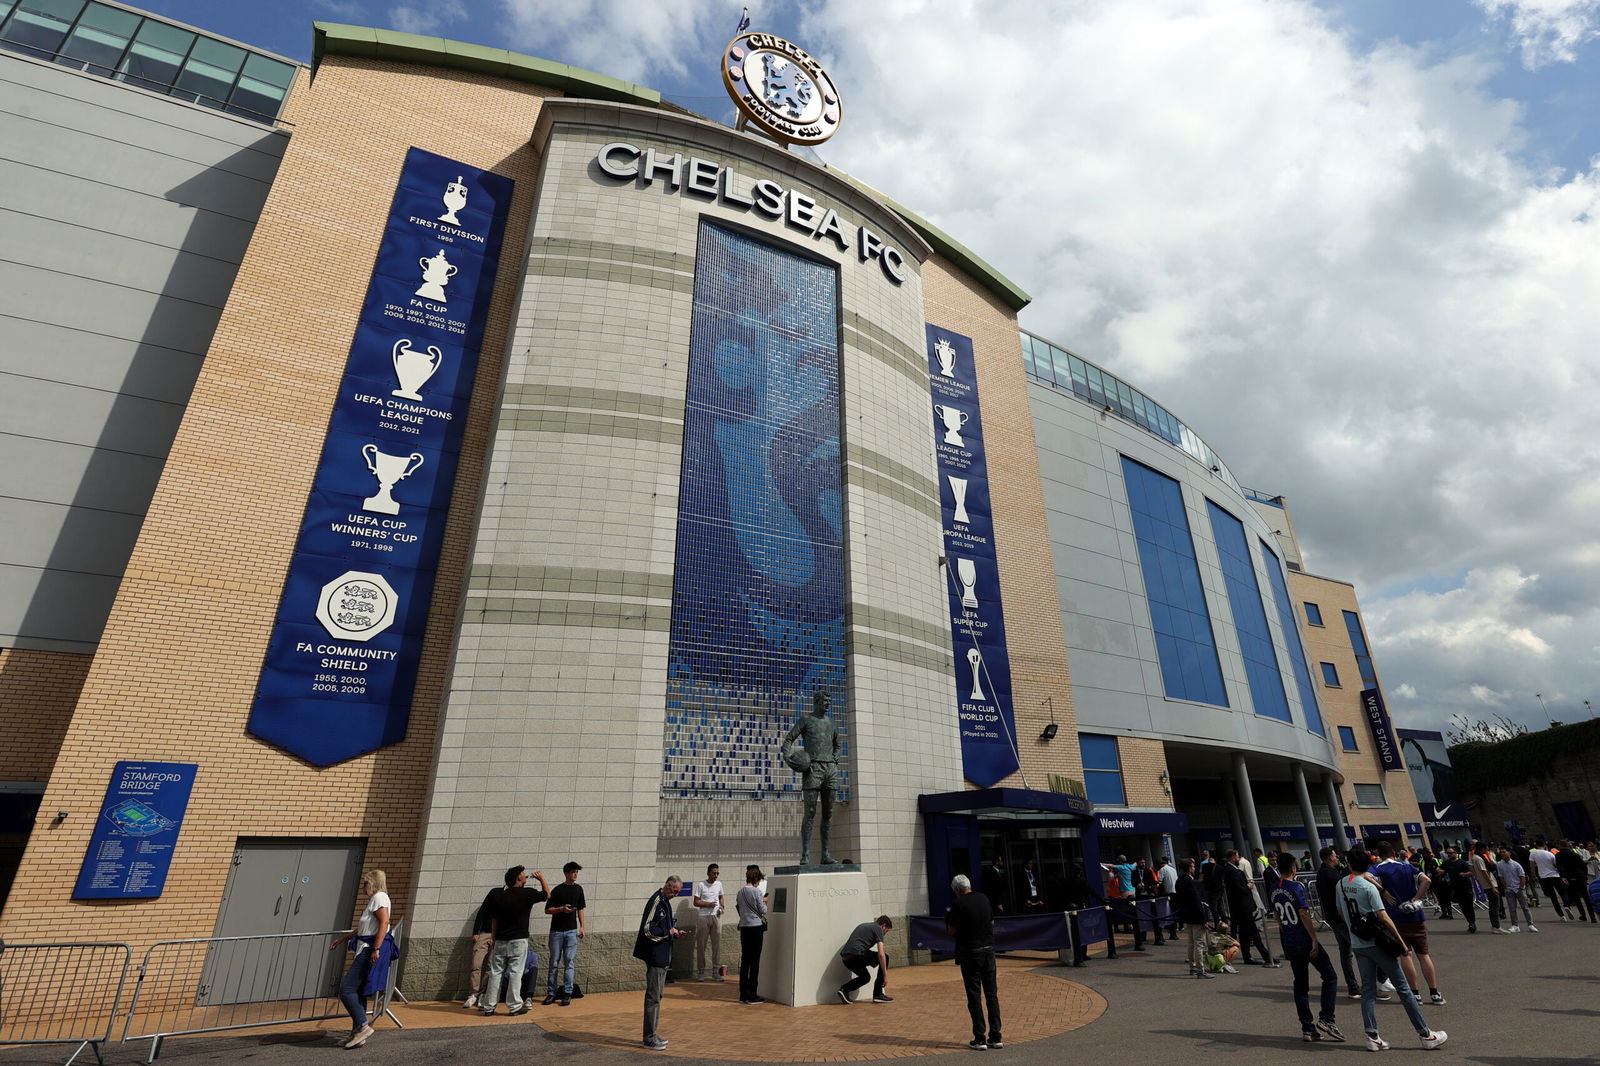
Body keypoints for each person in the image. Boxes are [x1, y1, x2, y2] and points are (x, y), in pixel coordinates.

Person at [1338, 848, 1446, 1052]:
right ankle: (1425, 1034)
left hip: (1358, 942)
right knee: (1404, 989)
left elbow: (1340, 913)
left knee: (1368, 991)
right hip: (1377, 942)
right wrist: (1401, 943)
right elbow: (1384, 917)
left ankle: (1372, 1035)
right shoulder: (1368, 888)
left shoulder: (1341, 884)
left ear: (1350, 865)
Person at [1270, 853, 1344, 1042]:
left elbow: (1277, 915)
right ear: (1293, 867)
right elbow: (1303, 913)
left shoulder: (1274, 888)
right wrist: (1313, 938)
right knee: (1329, 975)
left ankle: (1307, 1027)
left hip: (1290, 940)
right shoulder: (1296, 887)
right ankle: (1327, 1017)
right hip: (1303, 938)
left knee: (1300, 984)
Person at [1370, 840, 1445, 1005]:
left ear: (1379, 855)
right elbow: (1426, 880)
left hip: (1396, 917)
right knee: (1424, 954)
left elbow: (1366, 877)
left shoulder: (1378, 869)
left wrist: (1383, 890)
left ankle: (1415, 994)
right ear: (1394, 854)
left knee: (1406, 954)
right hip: (1415, 915)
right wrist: (1416, 898)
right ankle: (1434, 992)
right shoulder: (1407, 867)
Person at [331, 869, 393, 1050]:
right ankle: (357, 1033)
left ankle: (363, 1027)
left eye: (365, 883)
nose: (363, 887)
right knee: (358, 991)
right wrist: (344, 938)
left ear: (372, 883)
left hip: (369, 950)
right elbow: (365, 927)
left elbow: (384, 923)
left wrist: (376, 948)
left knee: (346, 989)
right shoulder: (375, 899)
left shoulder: (379, 898)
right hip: (365, 948)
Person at [781, 689, 841, 865]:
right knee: (811, 812)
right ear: (816, 701)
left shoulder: (830, 723)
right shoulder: (806, 720)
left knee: (828, 813)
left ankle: (825, 854)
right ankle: (806, 854)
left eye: (829, 701)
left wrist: (836, 756)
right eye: (825, 701)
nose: (827, 704)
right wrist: (787, 756)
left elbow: (837, 744)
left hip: (830, 769)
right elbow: (789, 739)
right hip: (812, 768)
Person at [481, 866, 549, 1016]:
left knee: (496, 973)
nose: (525, 876)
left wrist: (493, 938)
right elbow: (546, 895)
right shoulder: (527, 894)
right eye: (523, 874)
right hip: (518, 940)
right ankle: (514, 1006)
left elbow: (494, 920)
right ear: (518, 878)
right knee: (515, 972)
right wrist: (541, 878)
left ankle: (489, 1006)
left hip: (500, 940)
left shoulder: (500, 896)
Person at [946, 874, 1001, 1050]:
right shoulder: (984, 898)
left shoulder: (957, 904)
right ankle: (996, 1036)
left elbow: (952, 931)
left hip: (971, 953)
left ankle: (980, 1037)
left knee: (974, 995)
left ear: (956, 890)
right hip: (989, 950)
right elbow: (991, 921)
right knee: (991, 994)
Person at [634, 875, 685, 1050]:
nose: (676, 895)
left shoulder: (665, 902)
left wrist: (674, 932)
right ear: (668, 886)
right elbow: (648, 929)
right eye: (675, 891)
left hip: (663, 956)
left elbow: (663, 928)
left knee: (657, 996)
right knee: (653, 997)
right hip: (655, 956)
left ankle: (652, 1033)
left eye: (678, 892)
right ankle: (649, 1037)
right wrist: (668, 931)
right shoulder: (657, 900)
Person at [1314, 846, 1361, 999]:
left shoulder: (1322, 873)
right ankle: (1359, 985)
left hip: (1332, 917)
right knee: (1358, 948)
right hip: (1340, 917)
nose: (1337, 858)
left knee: (1345, 951)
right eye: (1335, 856)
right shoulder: (1330, 874)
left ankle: (1352, 984)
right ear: (1329, 858)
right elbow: (1344, 888)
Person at [1223, 850, 1276, 966]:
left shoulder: (1234, 870)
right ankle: (1267, 956)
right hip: (1242, 907)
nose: (1239, 859)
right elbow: (1238, 889)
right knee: (1253, 932)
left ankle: (1248, 956)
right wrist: (1248, 886)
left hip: (1243, 906)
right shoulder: (1230, 871)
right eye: (1237, 857)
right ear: (1233, 858)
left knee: (1245, 933)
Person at [543, 861, 585, 1006]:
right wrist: (561, 909)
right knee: (554, 962)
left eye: (577, 872)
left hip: (572, 931)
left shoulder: (579, 889)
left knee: (569, 962)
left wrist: (582, 926)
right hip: (556, 931)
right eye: (573, 872)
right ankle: (551, 993)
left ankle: (568, 992)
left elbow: (581, 908)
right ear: (566, 873)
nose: (575, 874)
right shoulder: (557, 890)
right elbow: (547, 910)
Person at [463, 874, 502, 1009]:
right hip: (485, 932)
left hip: (499, 936)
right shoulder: (496, 892)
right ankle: (473, 993)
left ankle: (483, 994)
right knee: (476, 963)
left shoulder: (515, 895)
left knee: (491, 967)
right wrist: (475, 932)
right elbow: (483, 911)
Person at [837, 915, 894, 1003]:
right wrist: (885, 976)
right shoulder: (878, 929)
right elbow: (881, 955)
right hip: (857, 955)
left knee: (865, 977)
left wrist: (871, 961)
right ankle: (878, 994)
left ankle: (844, 989)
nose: (884, 935)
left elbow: (860, 945)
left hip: (846, 959)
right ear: (883, 926)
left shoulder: (864, 925)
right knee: (886, 957)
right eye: (886, 932)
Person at [1174, 858, 1213, 979]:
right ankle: (1201, 970)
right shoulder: (1190, 882)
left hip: (1186, 915)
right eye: (1193, 866)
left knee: (1191, 943)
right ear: (1189, 869)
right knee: (1199, 943)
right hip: (1196, 916)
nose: (1194, 868)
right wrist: (1204, 919)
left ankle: (1193, 967)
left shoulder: (1179, 881)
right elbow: (1196, 901)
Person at [735, 866, 768, 1004]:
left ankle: (743, 994)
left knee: (745, 962)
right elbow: (763, 910)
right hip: (756, 928)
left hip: (744, 928)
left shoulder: (740, 892)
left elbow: (739, 907)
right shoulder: (756, 892)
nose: (759, 883)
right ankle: (753, 994)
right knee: (755, 962)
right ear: (756, 879)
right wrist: (765, 901)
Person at [691, 863, 725, 981]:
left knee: (717, 945)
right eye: (714, 873)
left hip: (716, 916)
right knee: (701, 945)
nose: (716, 875)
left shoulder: (719, 884)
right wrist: (707, 904)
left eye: (717, 873)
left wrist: (722, 906)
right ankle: (701, 972)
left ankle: (716, 971)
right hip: (703, 917)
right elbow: (695, 902)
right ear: (708, 873)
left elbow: (721, 897)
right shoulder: (701, 885)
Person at [1495, 847, 1535, 932]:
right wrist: (1505, 887)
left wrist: (1521, 886)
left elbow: (1522, 876)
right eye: (1501, 852)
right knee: (1512, 908)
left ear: (1509, 853)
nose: (1502, 854)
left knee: (1525, 907)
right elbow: (1501, 876)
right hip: (1509, 889)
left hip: (1518, 888)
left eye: (1504, 852)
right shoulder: (1500, 865)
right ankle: (1515, 925)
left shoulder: (1516, 864)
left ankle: (1530, 924)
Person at [1556, 841, 1597, 922]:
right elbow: (1582, 865)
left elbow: (1559, 866)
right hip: (1580, 876)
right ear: (1568, 846)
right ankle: (1593, 917)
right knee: (1586, 897)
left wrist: (1562, 876)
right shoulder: (1574, 854)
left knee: (1576, 897)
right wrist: (1584, 876)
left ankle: (1583, 915)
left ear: (1560, 846)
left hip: (1569, 877)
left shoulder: (1558, 855)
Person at [1528, 841, 1569, 921]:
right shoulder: (1550, 854)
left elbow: (1532, 866)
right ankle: (1566, 905)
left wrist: (1534, 875)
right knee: (1562, 893)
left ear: (1536, 845)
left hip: (1544, 877)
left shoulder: (1533, 853)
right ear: (1545, 845)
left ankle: (1562, 915)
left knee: (1553, 897)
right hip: (1555, 875)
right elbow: (1555, 865)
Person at [1441, 846, 1479, 932]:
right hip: (1456, 888)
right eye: (1448, 853)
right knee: (1463, 907)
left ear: (1456, 853)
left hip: (1466, 887)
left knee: (1469, 906)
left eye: (1451, 853)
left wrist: (1465, 874)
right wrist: (1441, 871)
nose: (1449, 855)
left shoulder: (1462, 863)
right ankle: (1470, 922)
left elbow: (1472, 872)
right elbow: (1439, 868)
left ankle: (1472, 923)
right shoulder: (1447, 863)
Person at [1468, 841, 1503, 932]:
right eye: (1486, 849)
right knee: (1494, 905)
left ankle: (1496, 925)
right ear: (1482, 849)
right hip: (1489, 884)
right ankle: (1496, 926)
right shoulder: (1478, 859)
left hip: (1488, 883)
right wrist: (1492, 886)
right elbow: (1484, 872)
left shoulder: (1476, 857)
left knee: (1494, 905)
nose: (1487, 851)